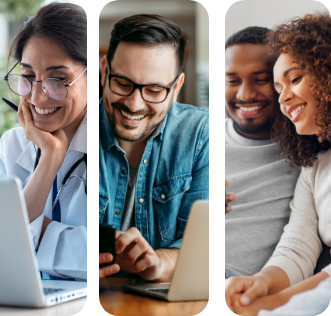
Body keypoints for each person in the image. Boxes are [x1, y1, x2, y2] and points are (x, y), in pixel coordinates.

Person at [226, 12, 331, 316]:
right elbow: (297, 246)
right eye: (279, 88)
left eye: (294, 79)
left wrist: (271, 304)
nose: (284, 98)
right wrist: (260, 284)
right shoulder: (313, 166)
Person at [99, 14, 209, 281]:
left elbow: (204, 245)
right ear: (104, 70)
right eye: (123, 83)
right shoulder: (73, 128)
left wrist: (159, 262)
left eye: (155, 90)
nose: (134, 105)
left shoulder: (200, 134)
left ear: (176, 88)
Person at [0, 2, 97, 280]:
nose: (38, 98)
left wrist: (34, 236)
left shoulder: (120, 148)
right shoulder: (12, 146)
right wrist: (49, 158)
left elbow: (110, 255)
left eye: (58, 80)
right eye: (28, 77)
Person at [224, 26, 301, 278]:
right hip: (178, 274)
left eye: (260, 79)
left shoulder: (308, 150)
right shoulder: (197, 141)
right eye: (232, 81)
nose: (245, 94)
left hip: (250, 288)